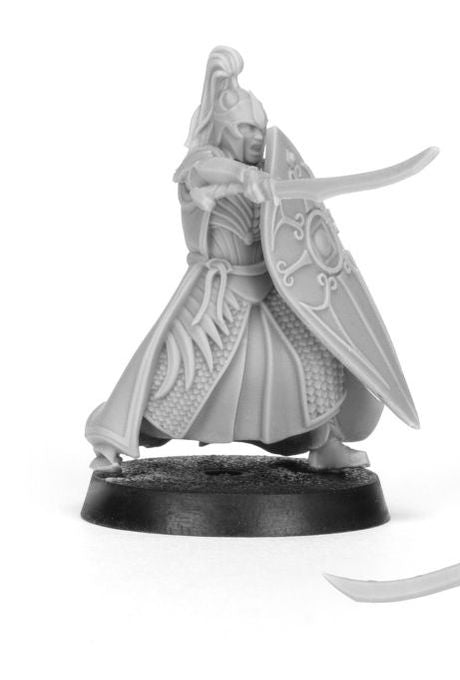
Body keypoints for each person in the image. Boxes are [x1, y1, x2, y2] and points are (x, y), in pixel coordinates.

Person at [86, 47, 417, 473]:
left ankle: (326, 444)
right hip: (216, 298)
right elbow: (207, 172)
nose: (257, 137)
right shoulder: (201, 165)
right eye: (245, 127)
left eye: (260, 128)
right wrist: (243, 177)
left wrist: (266, 185)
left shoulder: (270, 173)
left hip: (273, 290)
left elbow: (295, 231)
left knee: (317, 366)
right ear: (223, 129)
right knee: (177, 382)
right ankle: (111, 442)